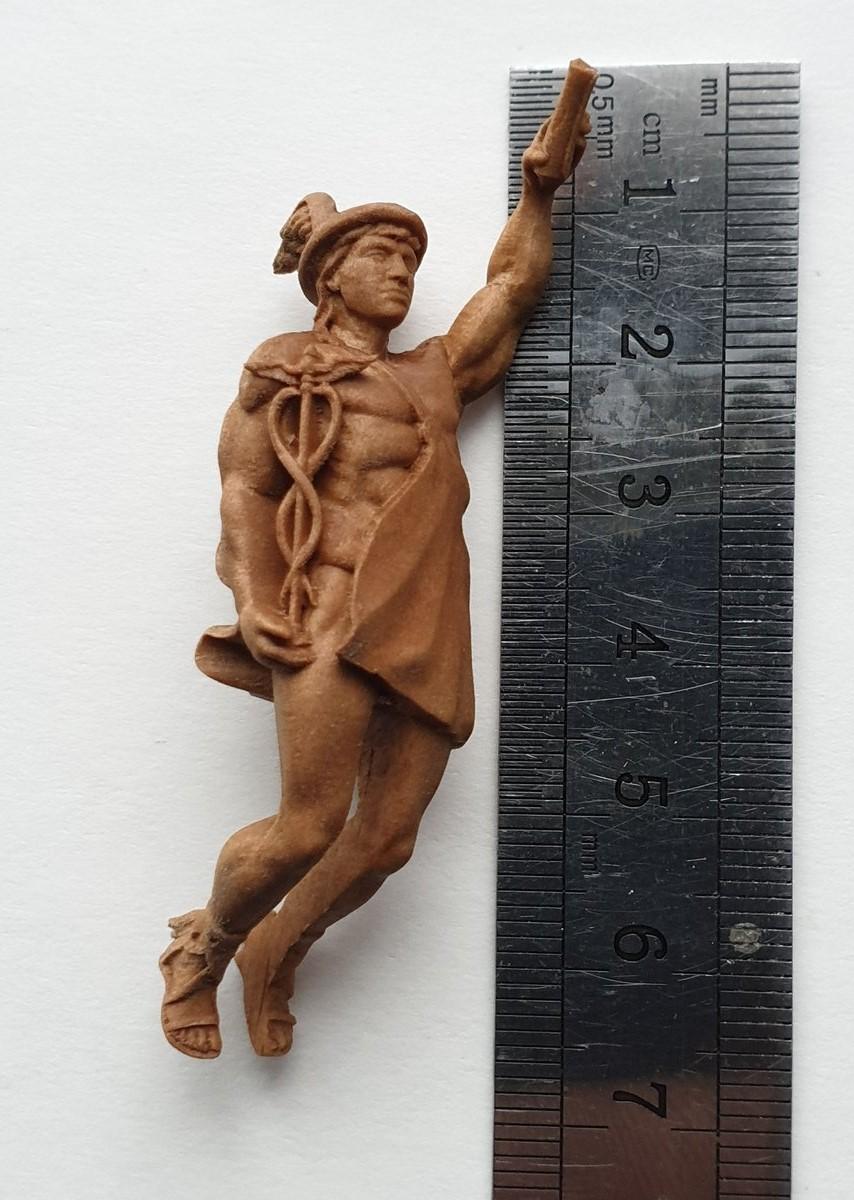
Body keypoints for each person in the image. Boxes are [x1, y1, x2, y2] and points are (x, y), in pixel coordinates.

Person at [160, 81, 592, 1059]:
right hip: (323, 607)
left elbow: (510, 288)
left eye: (410, 260)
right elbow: (245, 488)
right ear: (331, 279)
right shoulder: (284, 367)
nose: (401, 273)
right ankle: (206, 945)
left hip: (422, 618)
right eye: (381, 257)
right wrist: (254, 595)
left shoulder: (432, 375)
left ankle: (279, 945)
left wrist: (538, 193)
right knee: (309, 823)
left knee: (388, 840)